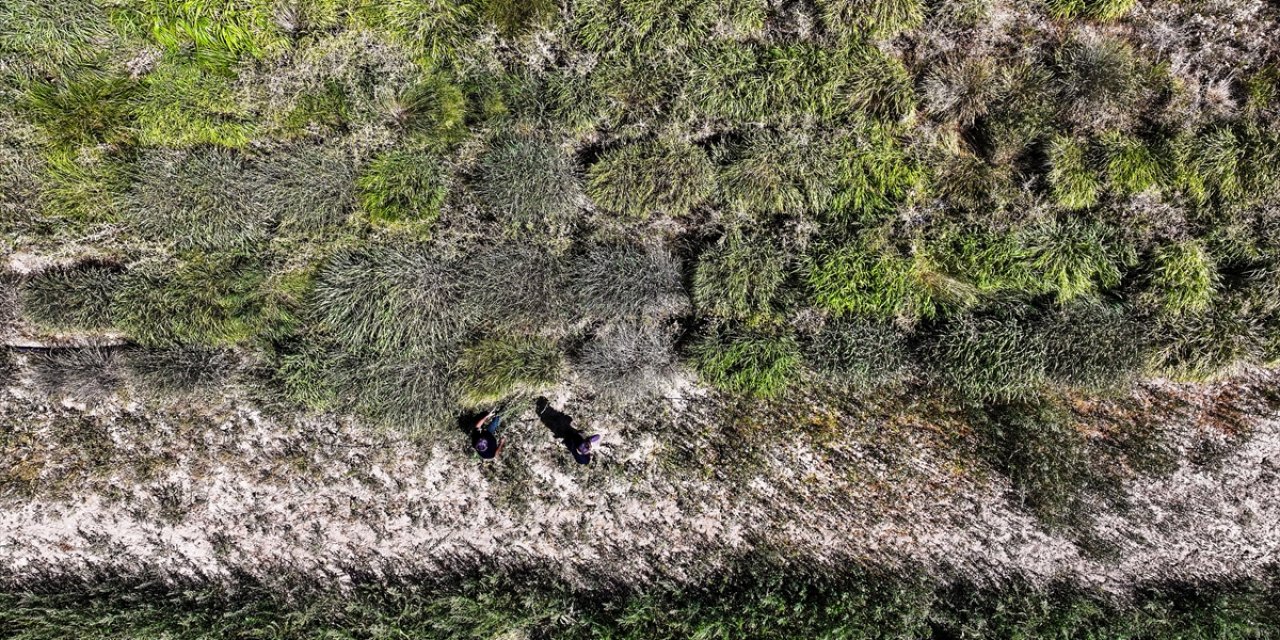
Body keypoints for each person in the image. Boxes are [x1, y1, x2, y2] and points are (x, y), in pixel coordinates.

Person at [535, 397, 601, 465]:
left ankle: (544, 410)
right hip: (567, 433)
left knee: (553, 421)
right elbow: (597, 437)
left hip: (566, 433)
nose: (587, 449)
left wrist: (587, 443)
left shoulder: (579, 447)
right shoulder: (579, 447)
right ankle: (544, 410)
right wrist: (588, 442)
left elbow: (595, 437)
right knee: (553, 420)